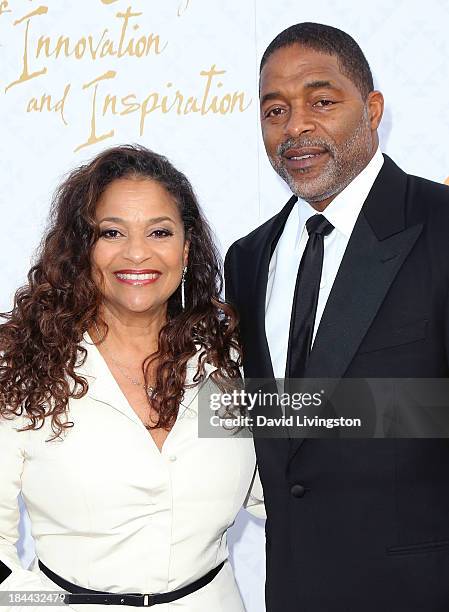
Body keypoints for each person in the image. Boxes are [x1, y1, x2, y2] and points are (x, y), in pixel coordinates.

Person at [224, 22, 449, 612]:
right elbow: (265, 422)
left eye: (322, 101)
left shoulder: (442, 224)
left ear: (372, 109)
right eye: (275, 110)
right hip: (294, 590)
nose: (295, 125)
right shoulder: (247, 259)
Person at [0, 144, 263, 611]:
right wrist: (37, 604)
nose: (137, 253)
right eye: (112, 232)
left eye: (159, 232)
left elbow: (292, 491)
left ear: (185, 251)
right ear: (83, 250)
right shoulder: (20, 366)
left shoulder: (231, 363)